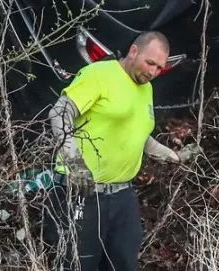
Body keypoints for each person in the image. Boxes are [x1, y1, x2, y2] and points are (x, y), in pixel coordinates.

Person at [44, 31, 186, 271]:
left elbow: (137, 131)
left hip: (122, 196)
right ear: (133, 51)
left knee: (123, 263)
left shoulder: (146, 88)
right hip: (83, 192)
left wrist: (165, 153)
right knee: (77, 265)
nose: (152, 72)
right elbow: (59, 114)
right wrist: (75, 164)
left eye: (159, 68)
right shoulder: (100, 74)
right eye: (149, 63)